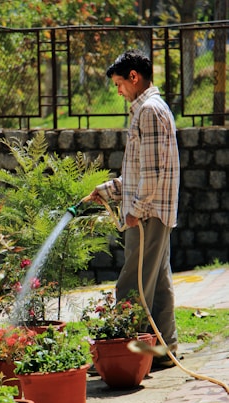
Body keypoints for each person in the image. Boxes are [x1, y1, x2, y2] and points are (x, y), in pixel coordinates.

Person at [88, 49, 180, 368]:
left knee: (132, 284)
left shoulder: (149, 111)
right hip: (154, 211)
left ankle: (126, 359)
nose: (118, 91)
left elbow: (152, 174)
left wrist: (135, 210)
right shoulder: (148, 110)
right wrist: (108, 190)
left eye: (119, 84)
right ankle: (164, 351)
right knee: (159, 284)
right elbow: (140, 171)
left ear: (134, 77)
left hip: (149, 214)